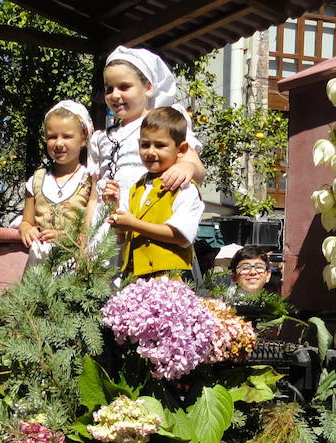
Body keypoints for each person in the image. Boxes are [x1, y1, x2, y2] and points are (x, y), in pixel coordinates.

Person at [89, 46, 205, 202]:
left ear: (148, 87)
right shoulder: (102, 137)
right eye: (109, 89)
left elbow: (196, 166)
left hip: (146, 219)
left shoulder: (163, 125)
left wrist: (186, 167)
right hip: (105, 221)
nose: (115, 95)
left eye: (124, 87)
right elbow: (95, 196)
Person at [101, 107, 203, 278]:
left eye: (160, 145)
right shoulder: (137, 188)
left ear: (182, 149)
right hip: (134, 279)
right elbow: (123, 235)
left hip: (169, 280)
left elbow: (181, 236)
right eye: (145, 145)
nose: (151, 152)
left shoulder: (184, 187)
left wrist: (134, 224)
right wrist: (115, 208)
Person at [19, 100, 97, 266]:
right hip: (39, 266)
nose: (59, 143)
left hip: (73, 263)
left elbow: (89, 227)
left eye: (67, 136)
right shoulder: (37, 179)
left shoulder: (90, 178)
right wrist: (26, 229)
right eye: (52, 137)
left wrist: (66, 237)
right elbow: (27, 220)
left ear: (83, 139)